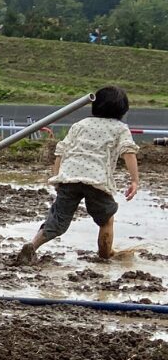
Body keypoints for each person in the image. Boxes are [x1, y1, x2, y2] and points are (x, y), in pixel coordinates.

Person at [16, 86, 139, 265]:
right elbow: (129, 152)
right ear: (123, 110)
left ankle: (32, 247)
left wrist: (57, 177)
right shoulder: (120, 128)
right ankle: (105, 256)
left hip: (70, 178)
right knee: (106, 219)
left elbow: (61, 151)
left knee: (57, 220)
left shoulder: (80, 125)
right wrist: (134, 180)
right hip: (96, 181)